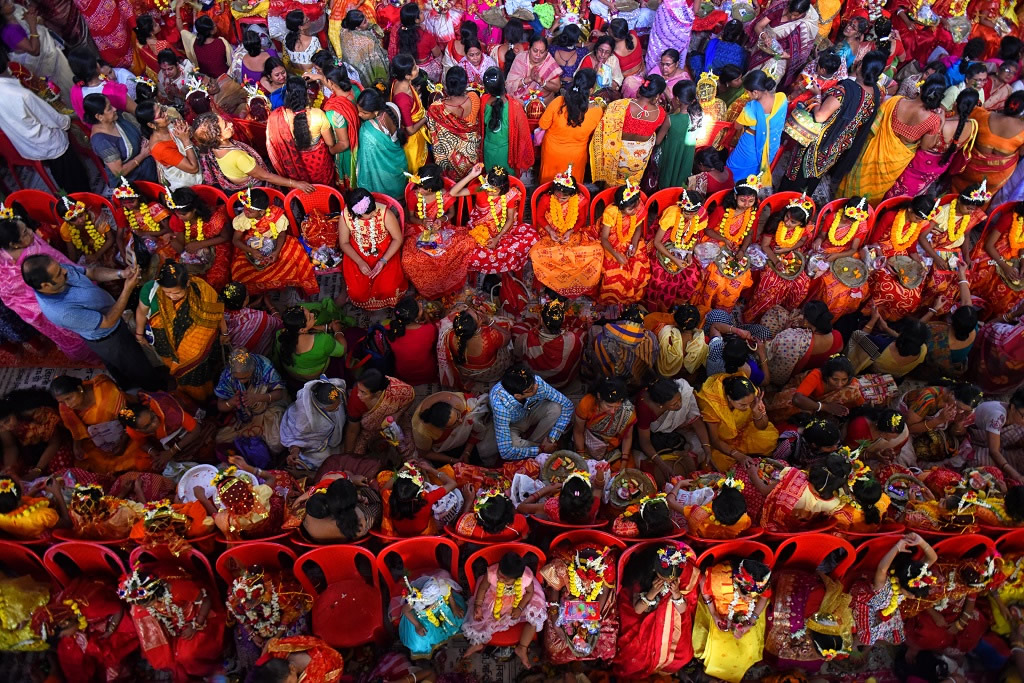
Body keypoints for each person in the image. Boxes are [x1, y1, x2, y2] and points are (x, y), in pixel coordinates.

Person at [23, 256, 164, 391]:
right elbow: (108, 321)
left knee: (123, 366)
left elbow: (92, 272)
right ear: (45, 285)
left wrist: (122, 273)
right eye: (59, 273)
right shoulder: (62, 312)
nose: (65, 271)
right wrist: (127, 289)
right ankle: (155, 391)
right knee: (137, 367)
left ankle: (131, 384)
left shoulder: (58, 272)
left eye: (60, 267)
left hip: (113, 324)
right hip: (109, 338)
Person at [781, 51, 885, 194]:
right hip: (838, 146)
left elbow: (820, 116)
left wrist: (817, 95)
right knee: (813, 179)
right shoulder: (877, 94)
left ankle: (783, 202)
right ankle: (801, 205)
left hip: (819, 143)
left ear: (860, 67)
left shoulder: (844, 90)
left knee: (798, 176)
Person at [0, 211, 95, 362]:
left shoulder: (19, 248)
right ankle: (93, 352)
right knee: (78, 327)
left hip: (37, 309)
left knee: (68, 330)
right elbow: (64, 270)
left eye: (27, 228)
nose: (31, 232)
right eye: (25, 232)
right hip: (50, 305)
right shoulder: (34, 255)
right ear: (14, 244)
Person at [837, 74, 946, 204]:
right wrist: (941, 122)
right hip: (895, 162)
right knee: (875, 189)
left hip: (874, 151)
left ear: (921, 88)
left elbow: (874, 125)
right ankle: (862, 211)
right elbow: (925, 146)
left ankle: (841, 204)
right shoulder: (933, 120)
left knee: (858, 179)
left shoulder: (896, 101)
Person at [117, 564, 226, 682]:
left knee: (186, 655)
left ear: (156, 593)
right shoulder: (144, 597)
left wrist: (196, 625)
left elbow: (206, 600)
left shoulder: (178, 589)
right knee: (163, 649)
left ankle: (207, 671)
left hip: (198, 615)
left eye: (146, 603)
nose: (143, 607)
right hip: (174, 620)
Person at [135, 260, 225, 402]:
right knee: (180, 373)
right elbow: (141, 311)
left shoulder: (201, 290)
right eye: (166, 292)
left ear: (187, 284)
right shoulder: (150, 290)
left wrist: (224, 333)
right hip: (165, 344)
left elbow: (216, 312)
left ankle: (208, 395)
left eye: (176, 292)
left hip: (200, 345)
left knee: (201, 371)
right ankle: (192, 397)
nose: (171, 296)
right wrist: (139, 335)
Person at [0, 50, 89, 193]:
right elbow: (53, 119)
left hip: (26, 145)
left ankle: (71, 193)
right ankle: (84, 197)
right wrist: (67, 121)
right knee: (74, 177)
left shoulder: (15, 91)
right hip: (48, 143)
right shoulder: (22, 95)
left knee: (62, 174)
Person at [613, 542, 699, 678]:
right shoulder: (641, 575)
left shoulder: (681, 574)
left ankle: (663, 667)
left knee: (684, 656)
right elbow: (637, 610)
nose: (668, 581)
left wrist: (676, 593)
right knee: (632, 660)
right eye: (664, 578)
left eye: (673, 578)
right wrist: (652, 593)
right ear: (654, 570)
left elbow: (683, 610)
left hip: (672, 617)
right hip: (645, 614)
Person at [886, 87, 981, 199]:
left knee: (901, 187)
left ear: (956, 103)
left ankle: (890, 205)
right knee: (919, 189)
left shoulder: (943, 124)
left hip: (922, 162)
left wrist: (940, 122)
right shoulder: (973, 126)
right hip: (941, 163)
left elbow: (926, 145)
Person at [691, 555, 773, 682]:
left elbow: (763, 597)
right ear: (736, 582)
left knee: (750, 645)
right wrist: (714, 614)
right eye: (746, 596)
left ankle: (743, 669)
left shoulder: (760, 580)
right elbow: (703, 582)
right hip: (720, 607)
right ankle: (713, 669)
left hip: (747, 612)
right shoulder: (718, 577)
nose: (749, 599)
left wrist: (751, 621)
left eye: (753, 596)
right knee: (719, 648)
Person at [190, 112, 315, 194]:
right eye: (225, 125)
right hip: (256, 187)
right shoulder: (238, 157)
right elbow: (265, 176)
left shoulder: (214, 147)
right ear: (218, 137)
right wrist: (295, 184)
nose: (230, 124)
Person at [848, 533, 937, 647]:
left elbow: (933, 558)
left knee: (898, 637)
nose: (912, 597)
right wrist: (897, 547)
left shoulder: (916, 575)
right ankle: (857, 643)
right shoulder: (883, 585)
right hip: (866, 603)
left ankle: (874, 640)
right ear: (900, 583)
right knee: (867, 639)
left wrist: (921, 542)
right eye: (910, 594)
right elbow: (882, 569)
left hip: (887, 606)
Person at [50, 374, 151, 475]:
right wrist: (76, 446)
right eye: (62, 402)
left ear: (79, 389)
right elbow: (77, 430)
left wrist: (122, 443)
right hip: (98, 436)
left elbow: (128, 415)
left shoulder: (105, 390)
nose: (67, 405)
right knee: (92, 462)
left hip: (127, 428)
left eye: (69, 398)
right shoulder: (65, 407)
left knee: (140, 457)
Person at [401, 164, 476, 300]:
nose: (418, 190)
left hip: (443, 229)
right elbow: (410, 217)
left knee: (463, 245)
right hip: (418, 230)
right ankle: (428, 290)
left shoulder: (445, 195)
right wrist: (422, 222)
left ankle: (446, 287)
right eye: (417, 186)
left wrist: (442, 219)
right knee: (410, 259)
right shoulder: (414, 196)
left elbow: (451, 213)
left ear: (431, 189)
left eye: (421, 188)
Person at [461, 551, 547, 668]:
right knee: (480, 617)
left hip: (519, 599)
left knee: (534, 619)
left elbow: (529, 593)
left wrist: (520, 608)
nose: (500, 579)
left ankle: (522, 648)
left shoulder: (526, 578)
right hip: (495, 597)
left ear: (517, 579)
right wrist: (478, 606)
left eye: (505, 580)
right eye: (500, 574)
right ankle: (478, 643)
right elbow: (482, 588)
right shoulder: (492, 573)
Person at [229, 188, 318, 298]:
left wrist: (276, 252)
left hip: (276, 241)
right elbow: (235, 240)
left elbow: (281, 234)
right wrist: (252, 251)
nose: (245, 212)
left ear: (261, 212)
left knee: (296, 259)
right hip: (250, 245)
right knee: (240, 272)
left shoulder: (276, 215)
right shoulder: (243, 219)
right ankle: (258, 297)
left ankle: (299, 288)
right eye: (245, 208)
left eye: (250, 211)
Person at [529, 166, 602, 298]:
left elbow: (581, 220)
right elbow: (539, 217)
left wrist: (571, 231)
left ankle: (571, 285)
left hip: (572, 233)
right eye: (557, 197)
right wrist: (550, 231)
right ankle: (552, 284)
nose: (560, 200)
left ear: (572, 194)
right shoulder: (546, 199)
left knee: (595, 252)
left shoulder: (579, 201)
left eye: (564, 199)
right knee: (537, 254)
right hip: (549, 233)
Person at [539, 544, 618, 664]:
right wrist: (555, 619)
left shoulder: (605, 565)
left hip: (594, 602)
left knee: (605, 644)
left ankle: (588, 661)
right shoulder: (563, 564)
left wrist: (595, 617)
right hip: (566, 602)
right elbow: (555, 589)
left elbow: (605, 590)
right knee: (553, 646)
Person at [456, 164, 538, 275]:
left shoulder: (509, 195)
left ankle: (499, 272)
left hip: (503, 229)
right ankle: (489, 274)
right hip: (481, 228)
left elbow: (510, 219)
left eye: (494, 190)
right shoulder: (480, 189)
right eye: (488, 187)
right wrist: (471, 176)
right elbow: (453, 193)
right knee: (470, 253)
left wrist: (497, 237)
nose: (489, 191)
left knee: (530, 239)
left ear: (503, 188)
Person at [590, 75, 669, 186]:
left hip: (615, 160)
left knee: (610, 188)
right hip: (637, 163)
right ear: (657, 96)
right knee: (630, 191)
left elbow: (605, 132)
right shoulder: (661, 114)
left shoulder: (619, 106)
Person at [339, 188, 408, 311]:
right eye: (369, 214)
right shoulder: (345, 215)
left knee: (388, 288)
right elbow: (344, 243)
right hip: (357, 253)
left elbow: (397, 239)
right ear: (356, 214)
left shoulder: (385, 213)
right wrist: (360, 262)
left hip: (385, 251)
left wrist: (383, 261)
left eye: (374, 210)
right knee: (357, 292)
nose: (374, 214)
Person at [696, 178, 758, 311]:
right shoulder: (721, 211)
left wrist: (742, 250)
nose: (746, 204)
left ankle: (723, 308)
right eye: (743, 200)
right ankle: (706, 305)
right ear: (735, 196)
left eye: (751, 201)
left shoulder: (751, 212)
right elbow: (707, 230)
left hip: (736, 245)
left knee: (740, 276)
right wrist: (724, 240)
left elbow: (749, 233)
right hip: (716, 242)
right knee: (716, 276)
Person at [489, 366, 575, 461]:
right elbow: (506, 452)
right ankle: (541, 449)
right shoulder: (500, 406)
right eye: (531, 389)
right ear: (518, 396)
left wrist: (552, 438)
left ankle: (542, 444)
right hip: (511, 423)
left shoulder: (536, 382)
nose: (536, 387)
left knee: (556, 408)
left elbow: (568, 405)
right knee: (514, 445)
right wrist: (539, 450)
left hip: (532, 410)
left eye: (534, 382)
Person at [697, 374, 780, 471]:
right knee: (713, 466)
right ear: (729, 398)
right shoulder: (713, 407)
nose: (747, 407)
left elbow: (762, 426)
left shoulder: (750, 394)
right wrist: (738, 455)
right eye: (742, 405)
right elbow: (715, 440)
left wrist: (756, 412)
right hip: (723, 443)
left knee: (770, 440)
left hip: (744, 430)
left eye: (749, 403)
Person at [538, 68, 604, 186]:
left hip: (552, 153)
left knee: (547, 188)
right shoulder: (597, 111)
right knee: (571, 189)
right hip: (575, 157)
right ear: (591, 90)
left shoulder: (558, 102)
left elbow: (543, 124)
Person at [266, 76, 337, 186]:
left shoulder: (277, 117)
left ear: (287, 93)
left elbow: (275, 146)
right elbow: (330, 143)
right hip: (319, 164)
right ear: (306, 93)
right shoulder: (318, 114)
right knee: (324, 189)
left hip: (294, 167)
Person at [634, 377, 708, 480]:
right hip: (653, 437)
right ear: (660, 405)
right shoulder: (645, 407)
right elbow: (644, 440)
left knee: (701, 449)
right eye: (674, 404)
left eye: (680, 399)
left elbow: (696, 422)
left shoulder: (682, 389)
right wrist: (662, 465)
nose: (680, 405)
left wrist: (707, 448)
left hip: (676, 431)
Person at [954, 91, 1024, 196]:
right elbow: (1022, 153)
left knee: (952, 196)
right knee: (978, 201)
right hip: (992, 181)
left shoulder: (982, 115)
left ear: (1007, 102)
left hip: (968, 172)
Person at [0, 0, 74, 99]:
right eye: (5, 3)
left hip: (55, 54)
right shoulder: (9, 31)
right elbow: (34, 50)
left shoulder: (16, 10)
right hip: (47, 67)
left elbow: (37, 22)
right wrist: (32, 25)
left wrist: (33, 15)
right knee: (68, 89)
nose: (10, 2)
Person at [726, 70, 788, 186]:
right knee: (754, 171)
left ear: (755, 92)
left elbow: (737, 125)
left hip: (750, 144)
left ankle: (732, 189)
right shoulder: (782, 99)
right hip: (771, 144)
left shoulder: (751, 108)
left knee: (734, 167)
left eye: (748, 92)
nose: (748, 95)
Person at [512, 299, 587, 390]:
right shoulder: (574, 339)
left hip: (536, 384)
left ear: (541, 320)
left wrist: (537, 326)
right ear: (563, 319)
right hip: (563, 383)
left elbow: (516, 356)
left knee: (517, 329)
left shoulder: (525, 339)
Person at [900, 382, 983, 464]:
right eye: (958, 407)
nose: (960, 411)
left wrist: (958, 424)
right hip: (908, 426)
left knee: (954, 448)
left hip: (932, 428)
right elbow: (909, 428)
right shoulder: (927, 398)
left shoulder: (963, 409)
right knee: (905, 455)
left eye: (965, 410)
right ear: (951, 394)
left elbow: (956, 433)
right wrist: (938, 420)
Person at [597, 180, 651, 306]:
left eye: (636, 206)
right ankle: (613, 304)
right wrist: (616, 255)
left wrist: (634, 245)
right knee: (614, 273)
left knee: (639, 266)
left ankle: (630, 302)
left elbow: (638, 228)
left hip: (630, 240)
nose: (635, 210)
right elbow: (604, 238)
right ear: (621, 207)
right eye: (630, 209)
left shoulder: (637, 206)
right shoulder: (611, 212)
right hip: (611, 244)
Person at [969, 200, 1024, 320]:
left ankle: (988, 318)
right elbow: (989, 245)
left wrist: (1022, 263)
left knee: (1016, 289)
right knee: (989, 277)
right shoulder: (1009, 218)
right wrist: (1005, 266)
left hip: (1013, 257)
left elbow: (1021, 247)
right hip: (992, 253)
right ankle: (968, 309)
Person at [427, 66, 483, 182]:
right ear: (465, 84)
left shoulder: (435, 108)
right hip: (472, 159)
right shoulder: (474, 97)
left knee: (452, 186)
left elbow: (434, 135)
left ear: (446, 84)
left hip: (450, 164)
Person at [0, 388, 73, 477]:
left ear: (13, 412)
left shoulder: (36, 412)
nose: (7, 427)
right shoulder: (4, 427)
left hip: (58, 444)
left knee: (61, 468)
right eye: (1, 427)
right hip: (32, 451)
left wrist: (38, 470)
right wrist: (9, 469)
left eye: (7, 421)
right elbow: (10, 446)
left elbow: (55, 443)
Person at [747, 0, 820, 89]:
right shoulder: (780, 8)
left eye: (796, 15)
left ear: (803, 13)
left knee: (767, 84)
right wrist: (764, 36)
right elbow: (759, 26)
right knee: (751, 78)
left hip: (781, 58)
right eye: (791, 13)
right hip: (764, 47)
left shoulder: (807, 24)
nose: (792, 17)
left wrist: (787, 56)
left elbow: (802, 53)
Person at [134, 101, 204, 191]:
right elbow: (193, 168)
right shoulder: (160, 148)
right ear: (151, 125)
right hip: (188, 186)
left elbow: (185, 137)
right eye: (161, 115)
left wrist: (186, 131)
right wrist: (185, 140)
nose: (166, 114)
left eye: (163, 110)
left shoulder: (167, 126)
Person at [343, 369, 416, 457]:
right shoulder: (356, 400)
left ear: (378, 393)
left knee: (407, 450)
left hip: (392, 424)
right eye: (358, 389)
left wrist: (398, 414)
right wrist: (347, 454)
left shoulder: (397, 389)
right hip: (368, 432)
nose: (358, 394)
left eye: (363, 392)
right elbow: (352, 430)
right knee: (356, 458)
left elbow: (410, 399)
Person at [438, 306, 511, 392]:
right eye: (477, 315)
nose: (478, 312)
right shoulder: (490, 336)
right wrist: (490, 322)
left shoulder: (449, 335)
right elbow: (507, 336)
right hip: (489, 374)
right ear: (479, 324)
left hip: (465, 372)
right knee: (504, 346)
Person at [273, 305, 348, 388]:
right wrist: (338, 331)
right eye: (309, 317)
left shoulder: (280, 335)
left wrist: (325, 327)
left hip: (292, 373)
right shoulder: (324, 341)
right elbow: (342, 350)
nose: (312, 314)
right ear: (302, 330)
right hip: (313, 375)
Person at [355, 88, 409, 200]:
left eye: (364, 113)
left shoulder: (367, 130)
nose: (359, 115)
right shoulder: (392, 107)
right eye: (358, 110)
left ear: (375, 112)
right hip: (397, 161)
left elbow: (367, 161)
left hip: (384, 172)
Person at [412, 390, 493, 465]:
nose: (461, 421)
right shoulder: (422, 431)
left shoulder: (461, 403)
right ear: (443, 428)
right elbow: (425, 453)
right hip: (443, 451)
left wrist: (467, 452)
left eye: (458, 415)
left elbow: (475, 421)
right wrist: (454, 461)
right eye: (455, 423)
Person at [397, 571, 466, 658]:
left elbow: (448, 592)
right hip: (424, 619)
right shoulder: (414, 600)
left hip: (442, 610)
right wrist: (417, 625)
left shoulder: (438, 588)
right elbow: (405, 610)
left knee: (459, 617)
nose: (431, 604)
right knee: (420, 641)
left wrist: (454, 606)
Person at [481, 67, 534, 176]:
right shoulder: (515, 107)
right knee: (507, 184)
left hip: (488, 151)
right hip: (507, 154)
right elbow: (524, 135)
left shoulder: (483, 101)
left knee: (491, 183)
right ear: (504, 83)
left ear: (486, 88)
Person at [573, 377, 636, 462]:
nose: (613, 411)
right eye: (609, 406)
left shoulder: (627, 410)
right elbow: (578, 431)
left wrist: (624, 461)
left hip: (610, 450)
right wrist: (582, 457)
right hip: (586, 446)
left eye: (617, 407)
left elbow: (627, 438)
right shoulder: (587, 404)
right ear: (599, 396)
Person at [318, 64, 361, 189]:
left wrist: (330, 151)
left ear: (330, 83)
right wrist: (320, 77)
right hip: (359, 137)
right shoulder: (355, 88)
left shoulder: (336, 110)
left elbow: (343, 144)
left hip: (348, 151)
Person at [968, 388, 1024, 481]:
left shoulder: (1014, 415)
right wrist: (1016, 476)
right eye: (1023, 416)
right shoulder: (998, 416)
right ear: (1013, 407)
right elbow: (994, 451)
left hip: (998, 439)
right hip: (981, 441)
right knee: (981, 461)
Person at [387, 296, 439, 386]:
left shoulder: (389, 330)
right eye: (419, 307)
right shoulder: (430, 329)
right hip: (428, 374)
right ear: (418, 315)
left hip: (403, 374)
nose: (420, 304)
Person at [658, 80, 700, 191]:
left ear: (677, 99)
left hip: (671, 154)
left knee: (668, 174)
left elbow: (657, 141)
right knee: (680, 177)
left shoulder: (671, 119)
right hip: (686, 155)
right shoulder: (698, 116)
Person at [334, 10, 388, 87]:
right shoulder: (368, 43)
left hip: (352, 74)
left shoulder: (344, 31)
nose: (368, 21)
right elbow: (378, 63)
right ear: (357, 28)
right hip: (360, 72)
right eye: (365, 22)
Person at [389, 3, 443, 81]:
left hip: (408, 67)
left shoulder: (398, 29)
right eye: (420, 12)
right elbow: (437, 54)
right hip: (423, 68)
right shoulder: (426, 36)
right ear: (416, 20)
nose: (423, 13)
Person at [506, 37, 562, 107]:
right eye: (535, 51)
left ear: (546, 52)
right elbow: (509, 84)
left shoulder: (550, 63)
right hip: (518, 101)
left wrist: (541, 81)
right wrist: (529, 79)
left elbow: (556, 88)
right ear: (529, 49)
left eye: (542, 52)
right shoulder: (520, 58)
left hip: (542, 103)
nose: (538, 55)